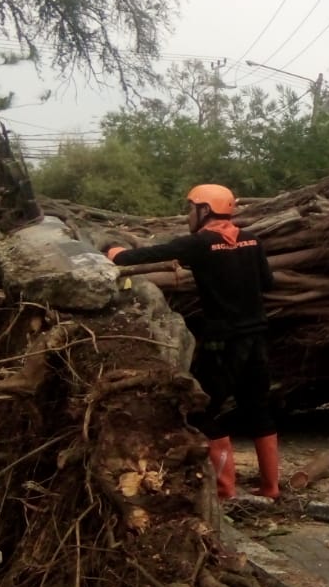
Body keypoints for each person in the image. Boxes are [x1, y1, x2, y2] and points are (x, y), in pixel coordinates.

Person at [105, 184, 279, 501]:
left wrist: (115, 253)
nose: (188, 215)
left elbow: (147, 255)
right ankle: (271, 488)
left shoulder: (200, 244)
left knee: (204, 410)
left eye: (190, 208)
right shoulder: (252, 241)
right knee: (257, 407)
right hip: (257, 337)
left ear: (204, 210)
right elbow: (267, 282)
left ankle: (225, 491)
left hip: (222, 342)